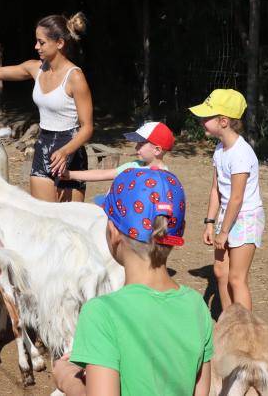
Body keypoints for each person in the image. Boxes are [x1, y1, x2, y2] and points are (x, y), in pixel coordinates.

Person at [52, 168, 212, 396]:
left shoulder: (102, 313)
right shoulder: (197, 307)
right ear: (180, 231)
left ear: (113, 231)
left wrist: (68, 379)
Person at [0, 13, 93, 203]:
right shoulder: (36, 68)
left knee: (70, 222)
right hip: (44, 147)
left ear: (59, 43)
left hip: (70, 151)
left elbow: (87, 127)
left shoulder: (75, 77)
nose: (36, 47)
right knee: (43, 219)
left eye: (41, 42)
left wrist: (65, 151)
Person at [191, 89, 264, 310]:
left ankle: (245, 331)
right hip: (227, 215)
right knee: (220, 272)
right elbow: (216, 190)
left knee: (236, 278)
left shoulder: (241, 153)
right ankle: (227, 321)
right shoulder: (220, 149)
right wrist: (210, 222)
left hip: (245, 217)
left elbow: (237, 197)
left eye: (207, 117)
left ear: (223, 121)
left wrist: (224, 232)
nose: (202, 120)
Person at [62, 120, 173, 182]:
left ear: (157, 150)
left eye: (141, 144)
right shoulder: (133, 166)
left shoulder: (166, 179)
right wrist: (70, 174)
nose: (136, 148)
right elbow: (102, 174)